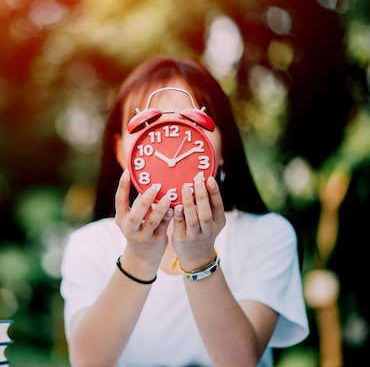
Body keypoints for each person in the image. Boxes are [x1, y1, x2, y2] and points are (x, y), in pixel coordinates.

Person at [59, 56, 309, 366]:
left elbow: (241, 361)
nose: (170, 135)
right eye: (149, 124)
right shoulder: (90, 244)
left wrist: (199, 257)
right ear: (121, 150)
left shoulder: (267, 234)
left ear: (222, 149)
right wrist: (138, 258)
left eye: (191, 124)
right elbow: (88, 362)